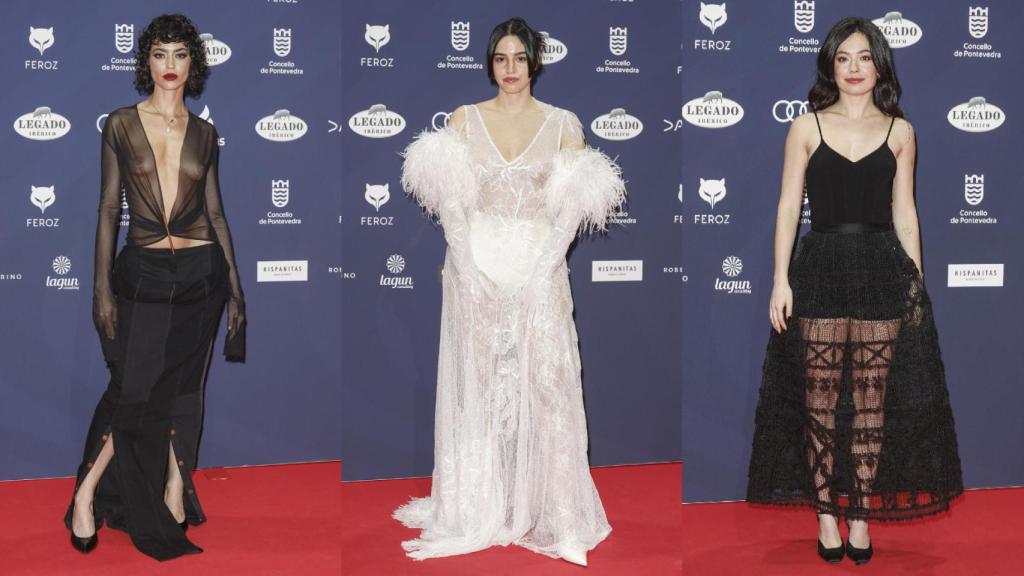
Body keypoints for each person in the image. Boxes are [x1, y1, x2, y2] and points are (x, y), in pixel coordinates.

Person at [394, 17, 624, 567]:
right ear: (489, 64)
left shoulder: (565, 124)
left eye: (521, 58)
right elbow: (453, 204)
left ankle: (562, 518)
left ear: (535, 63)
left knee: (549, 388)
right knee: (481, 391)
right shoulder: (463, 121)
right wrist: (469, 270)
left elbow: (568, 214)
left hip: (538, 271)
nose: (511, 69)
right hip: (476, 269)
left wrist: (542, 271)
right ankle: (482, 507)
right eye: (502, 58)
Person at [746, 17, 962, 565]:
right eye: (843, 58)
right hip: (818, 267)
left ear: (880, 63)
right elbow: (787, 207)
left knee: (870, 404)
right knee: (819, 401)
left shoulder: (901, 132)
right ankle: (826, 514)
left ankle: (860, 515)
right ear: (830, 67)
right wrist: (779, 278)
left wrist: (916, 282)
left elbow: (906, 213)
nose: (854, 68)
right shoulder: (805, 127)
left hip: (880, 268)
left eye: (863, 57)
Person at [65, 14, 245, 561]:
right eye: (160, 54)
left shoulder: (206, 134)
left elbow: (215, 211)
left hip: (202, 275)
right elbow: (106, 209)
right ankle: (87, 492)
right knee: (134, 393)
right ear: (147, 62)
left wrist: (235, 287)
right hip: (142, 272)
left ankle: (174, 489)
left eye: (180, 54)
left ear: (195, 64)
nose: (170, 65)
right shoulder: (121, 124)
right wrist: (100, 288)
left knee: (185, 390)